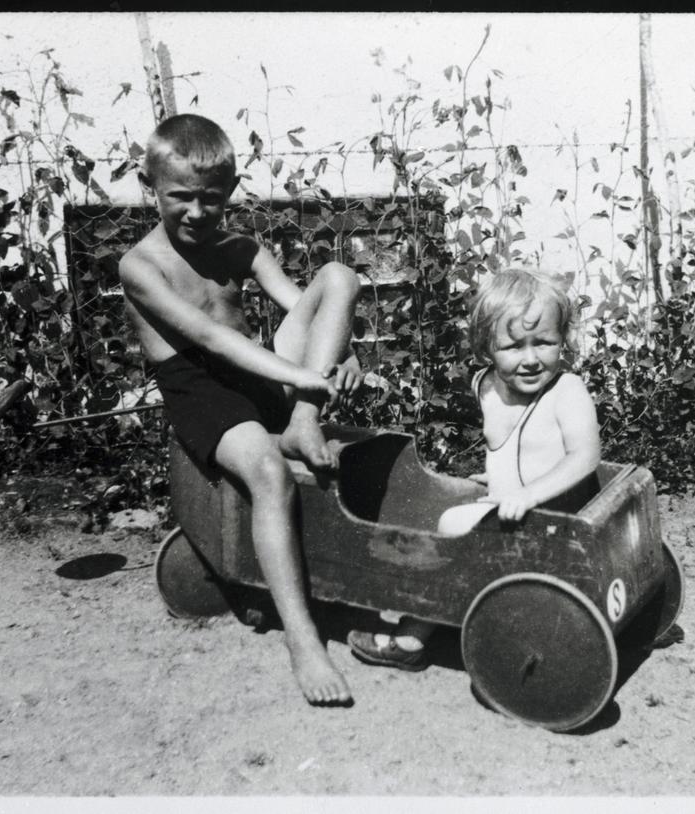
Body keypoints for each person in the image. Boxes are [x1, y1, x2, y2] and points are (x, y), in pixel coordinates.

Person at [118, 113, 362, 705]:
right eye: (181, 198)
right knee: (269, 474)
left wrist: (343, 350)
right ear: (150, 184)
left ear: (229, 190)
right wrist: (306, 374)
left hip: (258, 373)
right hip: (200, 389)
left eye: (212, 199)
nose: (198, 213)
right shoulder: (140, 266)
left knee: (338, 274)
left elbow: (298, 303)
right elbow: (210, 339)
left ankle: (301, 424)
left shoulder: (241, 248)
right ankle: (303, 641)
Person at [347, 269, 602, 671]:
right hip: (515, 512)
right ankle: (452, 602)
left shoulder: (567, 392)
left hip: (554, 520)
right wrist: (501, 481)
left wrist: (527, 493)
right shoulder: (484, 385)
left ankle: (413, 636)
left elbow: (585, 456)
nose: (531, 359)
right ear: (487, 345)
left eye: (545, 343)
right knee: (459, 503)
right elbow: (517, 450)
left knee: (451, 525)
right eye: (514, 347)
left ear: (563, 339)